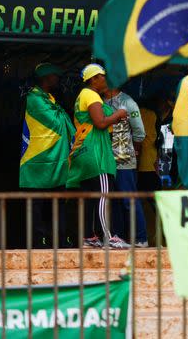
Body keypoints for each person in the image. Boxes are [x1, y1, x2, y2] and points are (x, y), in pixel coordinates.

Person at [67, 64, 130, 249]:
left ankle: (89, 236)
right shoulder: (91, 95)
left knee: (90, 197)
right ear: (93, 79)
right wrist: (118, 113)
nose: (105, 79)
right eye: (102, 76)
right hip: (96, 154)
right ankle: (108, 237)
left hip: (84, 152)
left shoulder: (82, 96)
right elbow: (101, 123)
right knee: (103, 194)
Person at [20, 63, 75, 247]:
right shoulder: (34, 98)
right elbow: (57, 124)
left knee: (58, 203)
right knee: (37, 205)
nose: (57, 79)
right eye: (54, 76)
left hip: (55, 162)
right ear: (45, 78)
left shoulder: (50, 98)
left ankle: (60, 238)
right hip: (37, 162)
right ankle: (38, 241)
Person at [105, 86, 147, 246]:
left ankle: (141, 238)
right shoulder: (100, 101)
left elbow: (139, 133)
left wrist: (132, 152)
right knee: (114, 201)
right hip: (107, 161)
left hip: (123, 160)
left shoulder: (128, 102)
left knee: (129, 200)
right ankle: (118, 238)